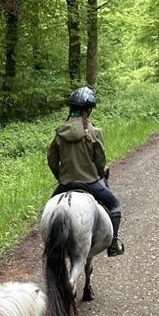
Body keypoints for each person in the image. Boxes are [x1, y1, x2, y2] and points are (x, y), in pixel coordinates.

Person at [47, 86, 124, 256]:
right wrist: (99, 173)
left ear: (72, 108)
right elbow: (100, 160)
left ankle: (49, 244)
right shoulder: (94, 132)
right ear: (88, 110)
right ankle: (112, 244)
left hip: (66, 183)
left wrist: (61, 177)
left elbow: (52, 160)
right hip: (90, 183)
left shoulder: (60, 133)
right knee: (115, 205)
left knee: (49, 211)